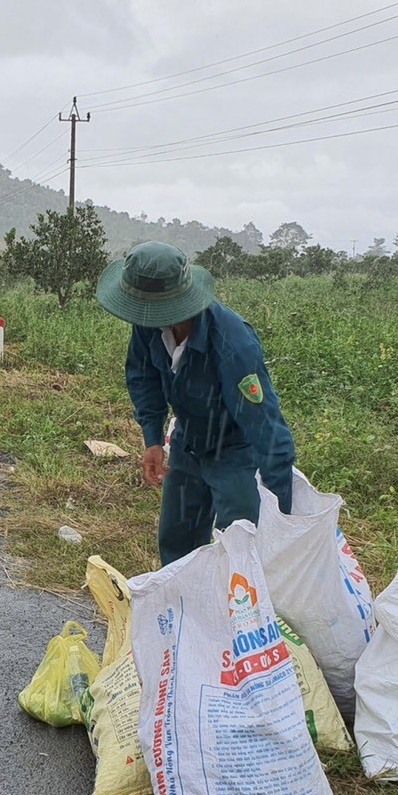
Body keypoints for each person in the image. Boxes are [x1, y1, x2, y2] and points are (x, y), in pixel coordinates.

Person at [96, 241, 296, 567]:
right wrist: (153, 439)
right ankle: (184, 609)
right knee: (177, 541)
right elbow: (143, 378)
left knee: (241, 547)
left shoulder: (233, 345)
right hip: (188, 441)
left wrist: (281, 516)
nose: (143, 316)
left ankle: (244, 612)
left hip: (234, 451)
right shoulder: (149, 324)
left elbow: (267, 430)